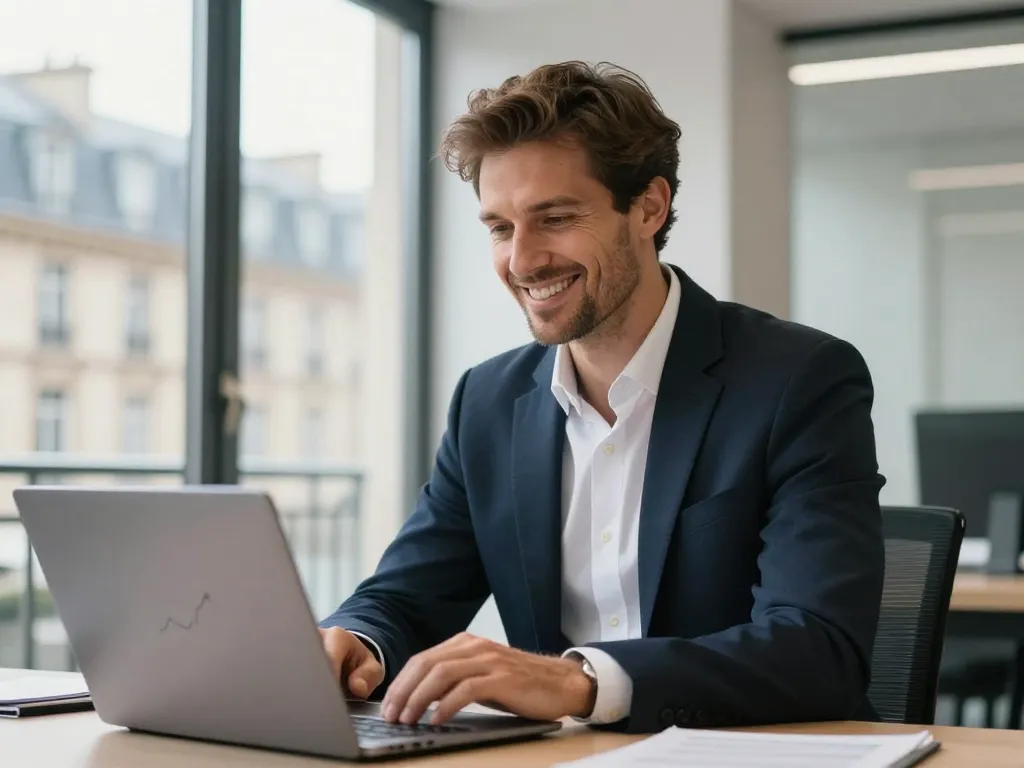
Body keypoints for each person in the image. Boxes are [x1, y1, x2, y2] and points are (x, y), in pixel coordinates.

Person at [319, 60, 885, 735]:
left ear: (649, 207)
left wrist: (582, 681)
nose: (523, 261)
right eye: (500, 228)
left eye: (554, 218)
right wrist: (356, 638)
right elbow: (410, 595)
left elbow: (818, 650)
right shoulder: (488, 401)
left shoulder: (800, 379)